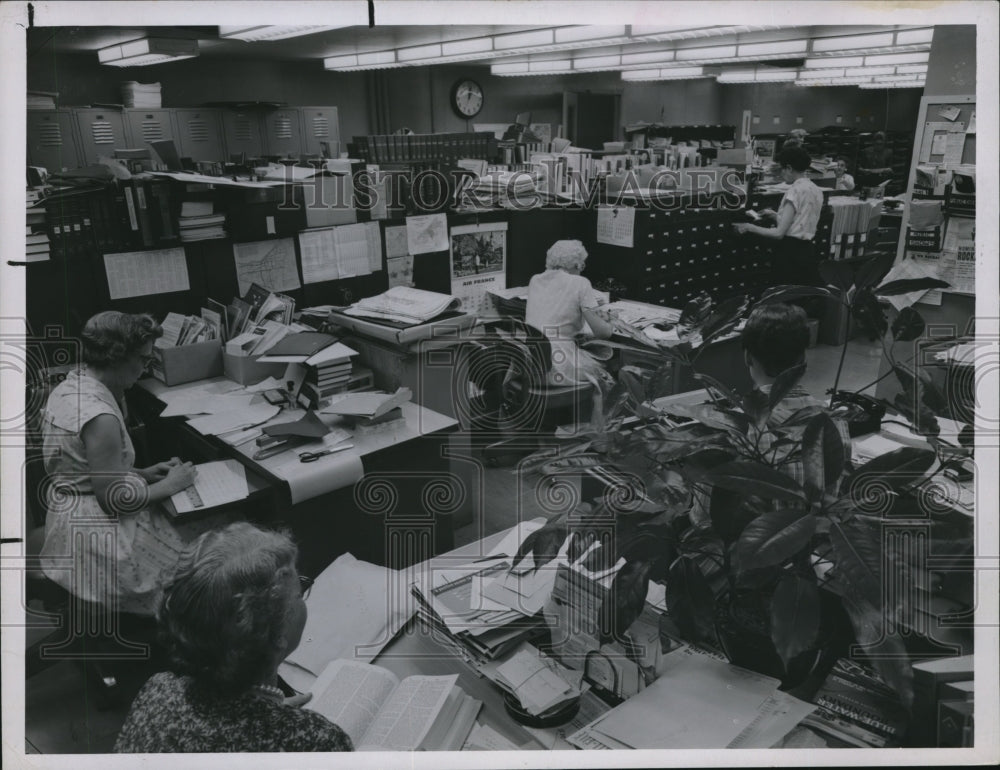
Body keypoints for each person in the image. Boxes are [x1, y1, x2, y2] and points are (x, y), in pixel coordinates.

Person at [115, 523, 353, 753]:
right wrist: (291, 726)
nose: (302, 597)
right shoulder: (317, 742)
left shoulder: (158, 689)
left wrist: (272, 713)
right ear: (276, 636)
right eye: (299, 593)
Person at [39, 311, 216, 616]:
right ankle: (190, 626)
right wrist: (169, 484)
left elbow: (84, 468)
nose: (146, 368)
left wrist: (143, 474)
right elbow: (112, 500)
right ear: (117, 356)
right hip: (97, 535)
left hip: (66, 519)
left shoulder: (71, 386)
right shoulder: (101, 417)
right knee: (210, 545)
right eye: (144, 359)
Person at [525, 239, 613, 389]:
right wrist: (609, 321)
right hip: (557, 365)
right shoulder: (580, 282)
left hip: (529, 364)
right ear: (576, 265)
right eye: (583, 265)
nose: (582, 269)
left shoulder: (535, 280)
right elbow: (603, 333)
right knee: (607, 374)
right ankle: (596, 412)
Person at [733, 145, 824, 287]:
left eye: (782, 169)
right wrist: (775, 215)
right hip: (807, 252)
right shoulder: (816, 189)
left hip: (790, 254)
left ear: (789, 168)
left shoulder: (795, 191)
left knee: (783, 299)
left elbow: (779, 233)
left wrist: (749, 227)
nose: (781, 174)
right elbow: (799, 221)